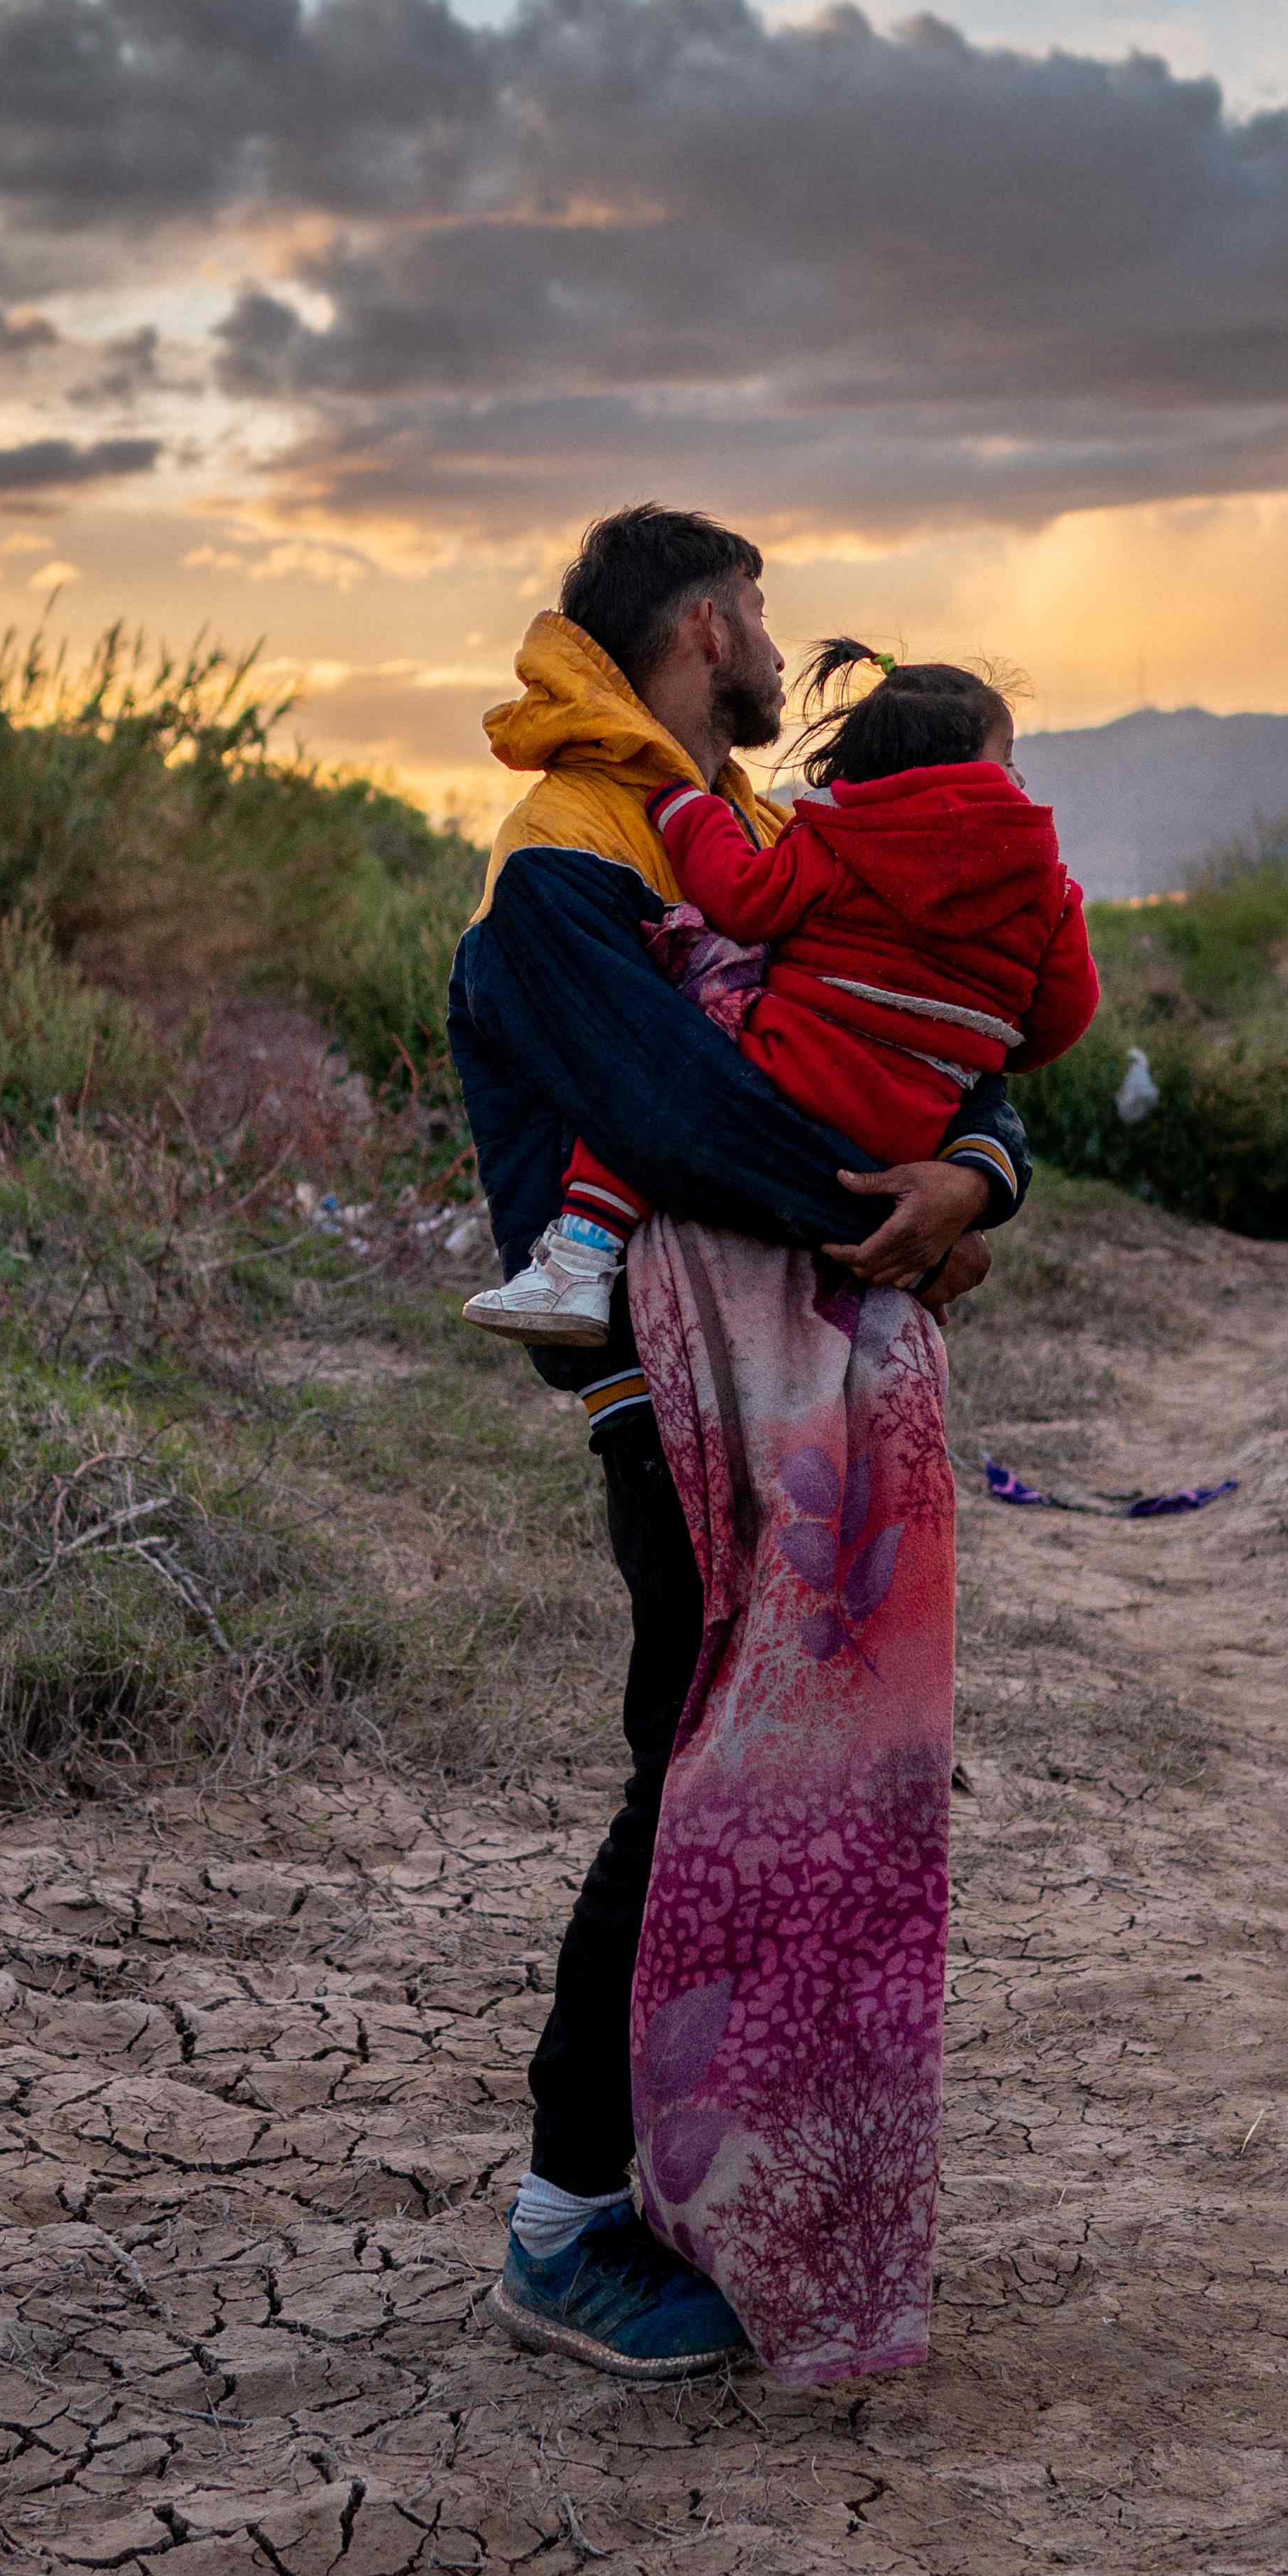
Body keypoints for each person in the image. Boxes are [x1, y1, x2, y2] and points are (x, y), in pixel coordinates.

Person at [445, 508, 1020, 2382]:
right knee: (688, 1783)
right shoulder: (563, 866)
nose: (779, 647)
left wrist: (979, 1167)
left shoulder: (754, 846)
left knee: (765, 1800)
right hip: (666, 1393)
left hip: (792, 1387)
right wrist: (905, 1206)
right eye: (761, 613)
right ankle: (563, 2224)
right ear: (709, 626)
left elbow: (967, 1034)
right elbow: (681, 1111)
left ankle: (698, 2191)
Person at [462, 650, 1097, 1343]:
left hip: (796, 1070)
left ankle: (582, 1258)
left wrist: (688, 811)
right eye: (1007, 758)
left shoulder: (834, 840)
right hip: (915, 1128)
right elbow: (1056, 1023)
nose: (1017, 779)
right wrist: (977, 1039)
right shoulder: (1049, 890)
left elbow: (743, 900)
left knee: (667, 1052)